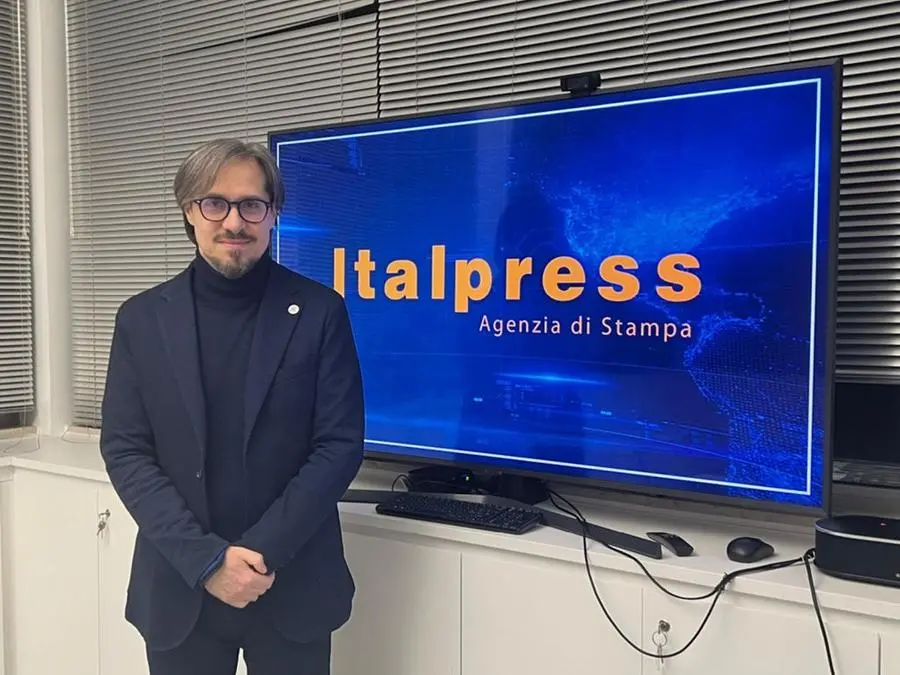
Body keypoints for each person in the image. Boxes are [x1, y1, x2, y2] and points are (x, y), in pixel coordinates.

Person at [99, 138, 365, 675]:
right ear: (189, 212)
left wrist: (258, 554)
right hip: (180, 588)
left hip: (291, 586)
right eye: (215, 203)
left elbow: (338, 446)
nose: (234, 222)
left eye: (252, 205)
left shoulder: (320, 312)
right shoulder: (141, 320)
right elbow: (126, 450)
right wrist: (207, 561)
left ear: (273, 214)